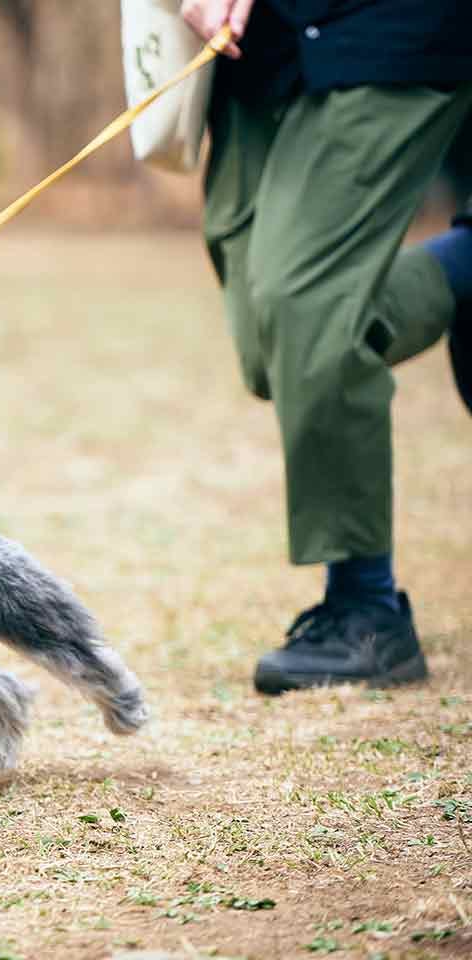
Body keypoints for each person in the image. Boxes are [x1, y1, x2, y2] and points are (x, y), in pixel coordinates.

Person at [179, 0, 472, 693]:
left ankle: (367, 609)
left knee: (305, 306)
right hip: (256, 51)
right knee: (272, 344)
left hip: (387, 29)